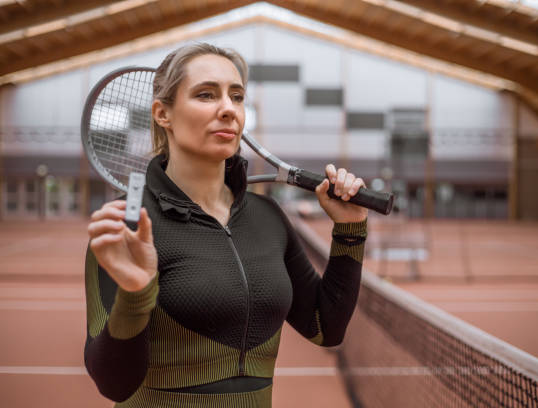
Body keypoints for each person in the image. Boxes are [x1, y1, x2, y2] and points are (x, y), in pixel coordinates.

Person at [84, 42, 368, 407]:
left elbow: (325, 328)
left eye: (236, 97)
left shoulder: (269, 218)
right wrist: (136, 294)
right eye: (206, 95)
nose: (228, 109)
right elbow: (114, 385)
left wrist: (350, 230)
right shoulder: (129, 226)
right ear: (162, 114)